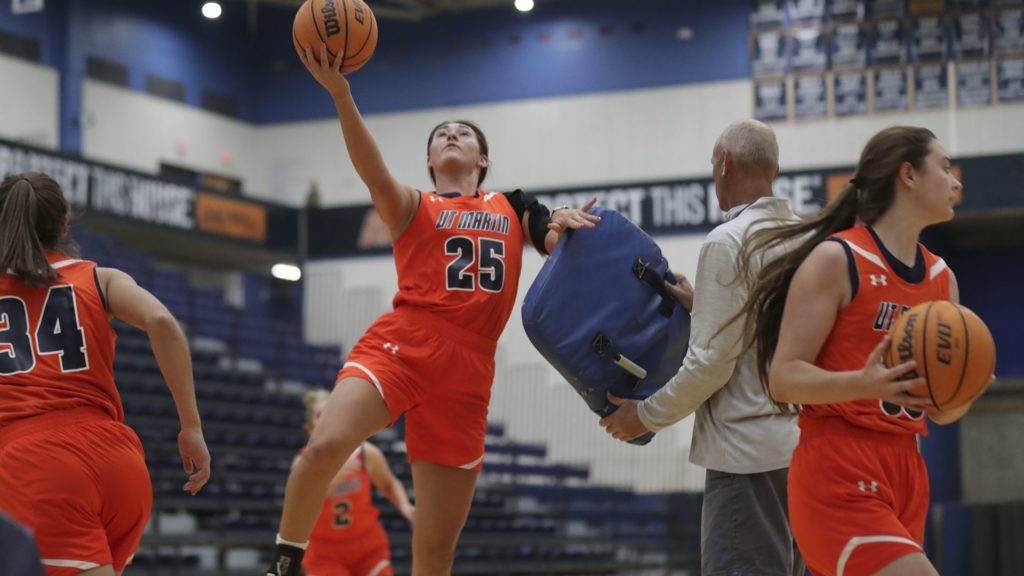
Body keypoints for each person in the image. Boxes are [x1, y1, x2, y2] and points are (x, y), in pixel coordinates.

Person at [266, 44, 600, 576]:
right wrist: (341, 94)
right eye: (440, 133)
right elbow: (374, 173)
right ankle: (284, 563)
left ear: (482, 160)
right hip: (406, 340)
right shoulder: (414, 205)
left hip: (470, 367)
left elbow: (553, 240)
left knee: (435, 550)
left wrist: (566, 225)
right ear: (428, 160)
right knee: (323, 446)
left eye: (463, 133)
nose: (451, 135)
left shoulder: (513, 204)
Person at [738, 126, 982, 576]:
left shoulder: (941, 277)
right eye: (944, 168)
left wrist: (965, 390)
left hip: (907, 466)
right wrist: (862, 383)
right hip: (837, 467)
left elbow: (941, 412)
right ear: (907, 175)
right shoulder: (837, 260)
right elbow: (783, 376)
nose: (956, 181)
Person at [599, 119, 804, 576]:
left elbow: (712, 364)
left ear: (725, 163)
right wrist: (707, 304)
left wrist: (644, 415)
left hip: (744, 456)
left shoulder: (728, 239)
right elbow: (766, 326)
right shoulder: (803, 237)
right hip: (799, 451)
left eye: (714, 166)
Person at [0, 172, 211, 576]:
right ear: (63, 225)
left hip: (38, 465)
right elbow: (163, 322)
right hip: (118, 459)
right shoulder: (99, 276)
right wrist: (191, 427)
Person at [299, 389, 415, 576]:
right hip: (324, 551)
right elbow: (299, 506)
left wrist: (404, 506)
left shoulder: (365, 453)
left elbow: (388, 483)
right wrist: (330, 481)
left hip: (367, 545)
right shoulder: (303, 464)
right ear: (310, 427)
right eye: (320, 415)